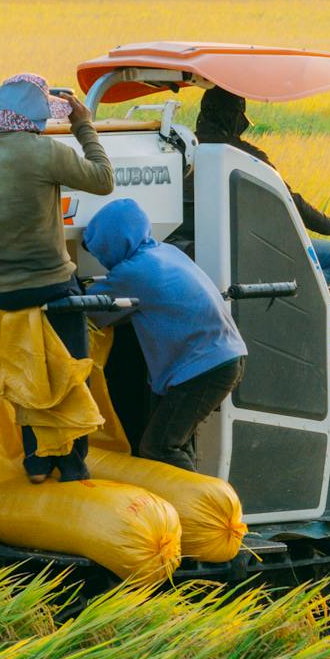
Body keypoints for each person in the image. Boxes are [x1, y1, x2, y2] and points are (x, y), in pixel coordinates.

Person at [0, 72, 114, 481]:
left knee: (28, 371)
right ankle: (74, 464)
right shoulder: (44, 151)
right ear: (35, 116)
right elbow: (103, 180)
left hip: (3, 292)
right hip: (52, 284)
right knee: (71, 370)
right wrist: (82, 126)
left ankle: (36, 463)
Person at [82, 198, 247, 472]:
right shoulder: (165, 251)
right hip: (223, 357)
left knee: (159, 446)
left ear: (110, 242)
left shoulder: (132, 272)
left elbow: (91, 311)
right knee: (177, 444)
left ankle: (206, 509)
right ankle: (189, 508)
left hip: (202, 368)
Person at [186, 85, 330, 289]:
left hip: (190, 250)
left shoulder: (184, 150)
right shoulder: (243, 156)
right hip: (241, 252)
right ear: (233, 118)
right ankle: (295, 316)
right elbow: (290, 201)